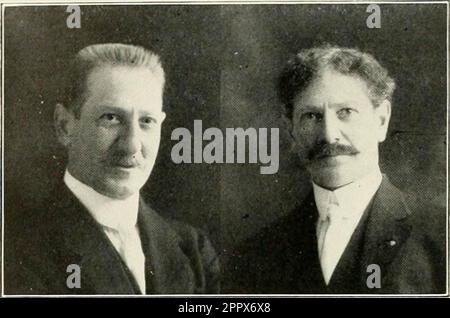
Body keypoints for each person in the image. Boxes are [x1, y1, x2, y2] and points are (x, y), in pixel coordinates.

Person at [226, 45, 446, 294]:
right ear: (291, 129)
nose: (330, 135)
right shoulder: (256, 255)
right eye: (311, 116)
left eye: (346, 112)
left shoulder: (440, 236)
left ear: (381, 120)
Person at [5, 43, 220, 295]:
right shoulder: (16, 250)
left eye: (146, 121)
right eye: (111, 118)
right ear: (64, 126)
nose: (131, 145)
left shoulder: (194, 251)